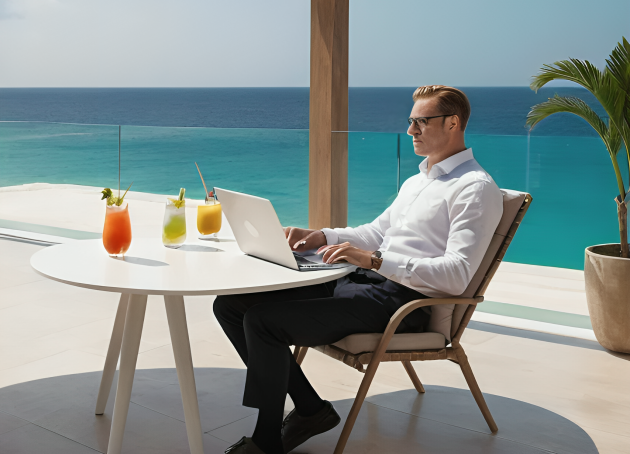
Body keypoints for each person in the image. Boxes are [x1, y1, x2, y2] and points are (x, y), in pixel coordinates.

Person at [215, 85, 504, 454]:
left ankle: (267, 439)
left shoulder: (474, 188)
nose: (411, 131)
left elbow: (457, 274)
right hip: (361, 283)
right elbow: (377, 231)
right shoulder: (420, 180)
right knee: (230, 305)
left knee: (263, 321)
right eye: (410, 121)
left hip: (401, 304)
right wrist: (321, 235)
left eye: (421, 122)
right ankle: (310, 410)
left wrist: (375, 260)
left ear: (453, 123)